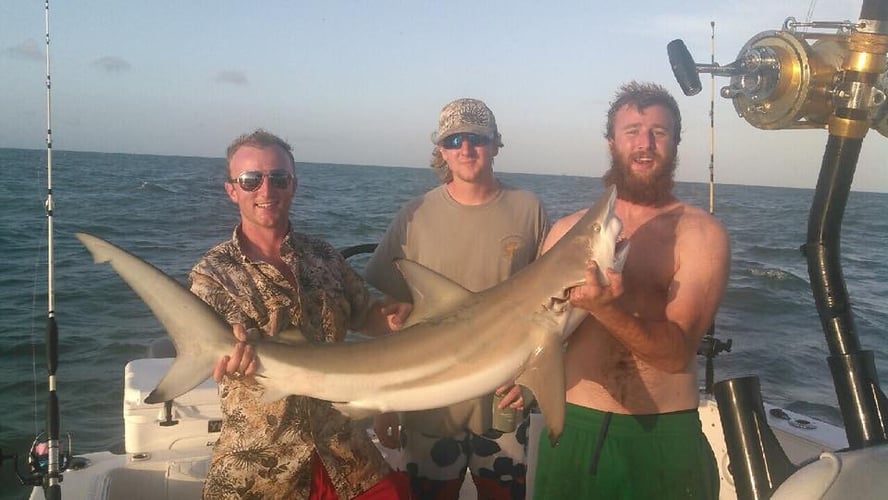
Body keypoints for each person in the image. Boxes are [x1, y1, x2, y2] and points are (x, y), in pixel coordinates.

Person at [189, 129, 412, 499]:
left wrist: (391, 318)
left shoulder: (324, 255)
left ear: (293, 185)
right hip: (261, 462)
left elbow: (366, 314)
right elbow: (210, 348)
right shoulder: (212, 274)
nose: (266, 190)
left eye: (278, 178)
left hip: (345, 450)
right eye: (250, 180)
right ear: (232, 190)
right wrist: (224, 359)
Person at [533, 82, 730, 499]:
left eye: (659, 132)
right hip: (574, 428)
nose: (645, 143)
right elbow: (537, 330)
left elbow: (677, 353)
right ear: (611, 142)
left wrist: (608, 308)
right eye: (632, 131)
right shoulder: (566, 231)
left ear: (675, 143)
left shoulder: (701, 234)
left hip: (662, 436)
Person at [363, 98, 549, 500]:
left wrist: (536, 380)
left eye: (478, 138)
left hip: (504, 398)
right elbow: (389, 319)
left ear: (496, 144)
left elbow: (552, 308)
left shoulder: (529, 210)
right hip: (429, 402)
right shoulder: (415, 215)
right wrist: (384, 403)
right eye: (455, 139)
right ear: (441, 150)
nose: (466, 149)